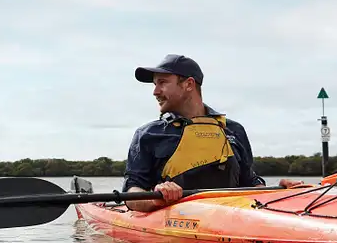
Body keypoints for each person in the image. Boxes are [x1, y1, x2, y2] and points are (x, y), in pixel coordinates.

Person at [123, 53, 303, 212]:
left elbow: (249, 183)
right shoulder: (148, 134)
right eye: (155, 84)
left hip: (230, 218)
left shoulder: (233, 130)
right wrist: (156, 197)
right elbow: (131, 192)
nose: (155, 91)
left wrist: (277, 190)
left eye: (162, 83)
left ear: (188, 84)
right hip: (175, 222)